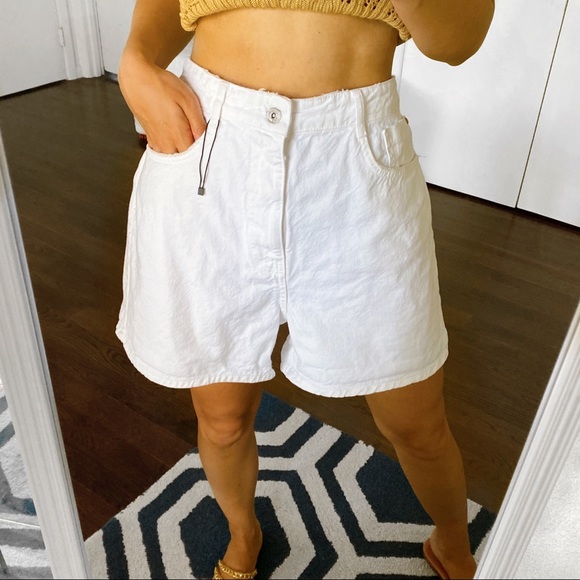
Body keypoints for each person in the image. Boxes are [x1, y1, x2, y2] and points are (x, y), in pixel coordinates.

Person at [116, 1, 495, 578]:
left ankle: (453, 544)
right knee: (221, 417)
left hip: (354, 168)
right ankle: (243, 532)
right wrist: (137, 61)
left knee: (417, 422)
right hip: (211, 148)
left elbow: (457, 41)